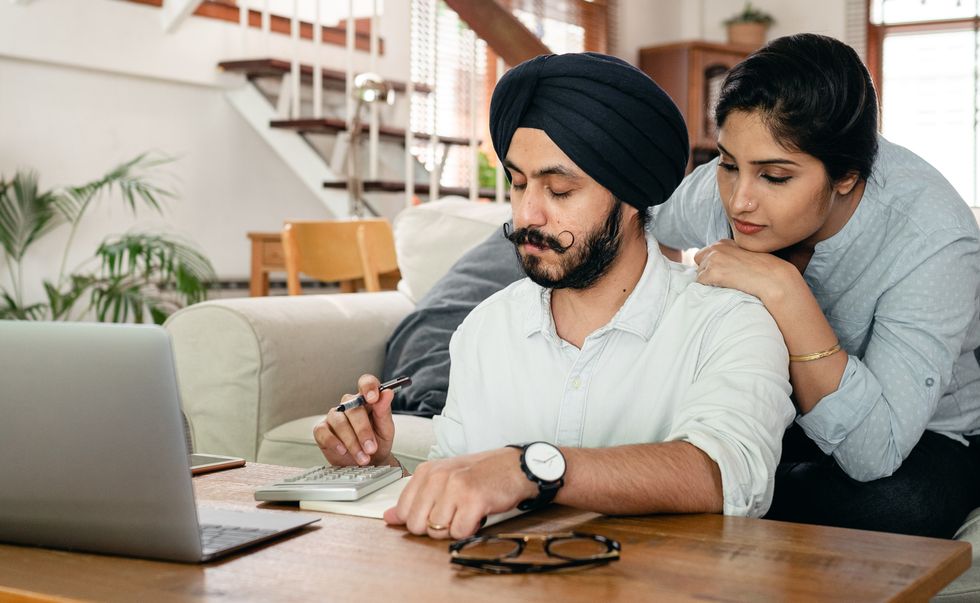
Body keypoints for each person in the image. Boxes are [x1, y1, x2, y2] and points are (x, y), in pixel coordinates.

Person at [314, 52, 795, 540]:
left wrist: (530, 469)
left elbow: (728, 478)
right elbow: (459, 486)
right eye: (518, 184)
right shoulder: (485, 329)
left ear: (632, 197)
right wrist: (378, 465)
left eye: (560, 191)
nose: (528, 215)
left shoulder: (730, 320)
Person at [652, 33, 980, 538]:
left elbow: (876, 450)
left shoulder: (933, 239)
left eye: (775, 177)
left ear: (847, 176)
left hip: (925, 432)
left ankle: (713, 493)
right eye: (729, 164)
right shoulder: (727, 188)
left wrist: (783, 290)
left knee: (902, 506)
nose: (739, 202)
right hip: (780, 409)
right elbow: (646, 229)